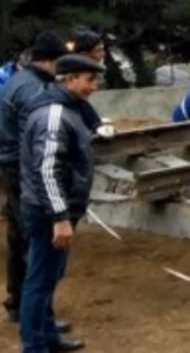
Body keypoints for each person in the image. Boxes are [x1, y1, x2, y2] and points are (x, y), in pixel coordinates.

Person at [20, 53, 105, 353]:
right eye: (89, 79)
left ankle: (46, 338)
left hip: (55, 207)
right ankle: (34, 346)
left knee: (48, 277)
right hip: (48, 212)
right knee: (39, 280)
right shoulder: (53, 115)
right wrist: (60, 216)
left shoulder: (69, 109)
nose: (94, 86)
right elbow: (47, 169)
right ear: (69, 79)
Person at [0, 33, 68, 328]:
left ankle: (17, 303)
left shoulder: (17, 80)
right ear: (52, 61)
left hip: (10, 167)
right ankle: (40, 318)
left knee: (17, 237)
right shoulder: (34, 90)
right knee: (38, 243)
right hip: (23, 171)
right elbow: (38, 140)